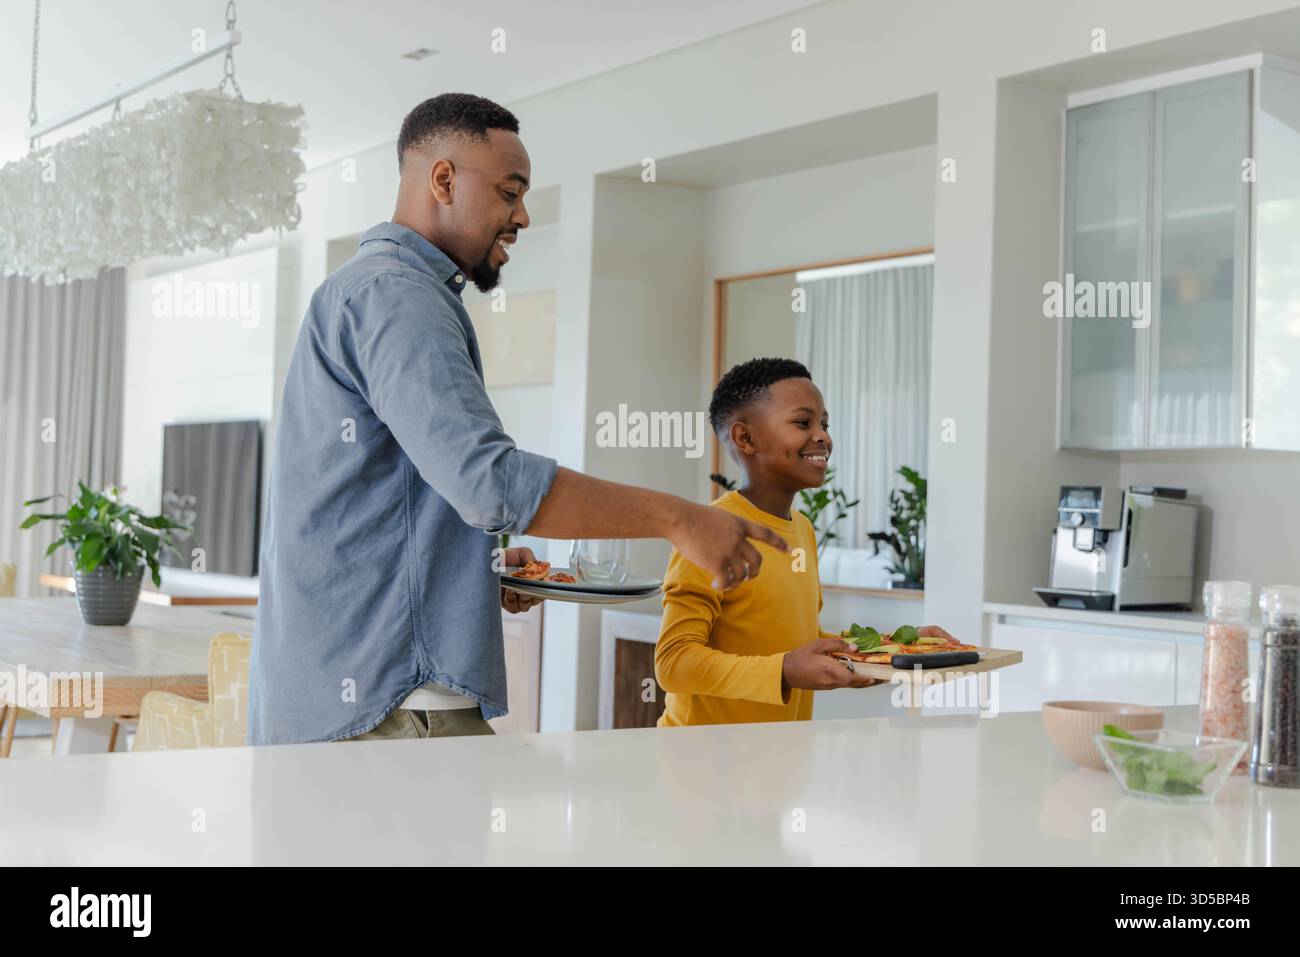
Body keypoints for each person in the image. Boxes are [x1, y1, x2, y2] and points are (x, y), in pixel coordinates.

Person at [248, 93, 786, 745]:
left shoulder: (364, 289)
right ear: (442, 180)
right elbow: (491, 484)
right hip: (392, 698)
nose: (523, 215)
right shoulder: (399, 299)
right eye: (510, 191)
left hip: (348, 690)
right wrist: (681, 519)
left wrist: (476, 566)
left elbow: (395, 496)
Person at [655, 357, 951, 726]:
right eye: (802, 422)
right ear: (745, 438)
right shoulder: (712, 532)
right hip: (702, 765)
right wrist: (784, 671)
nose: (823, 436)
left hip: (780, 759)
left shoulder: (803, 530)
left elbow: (799, 640)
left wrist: (892, 649)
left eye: (824, 424)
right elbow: (674, 664)